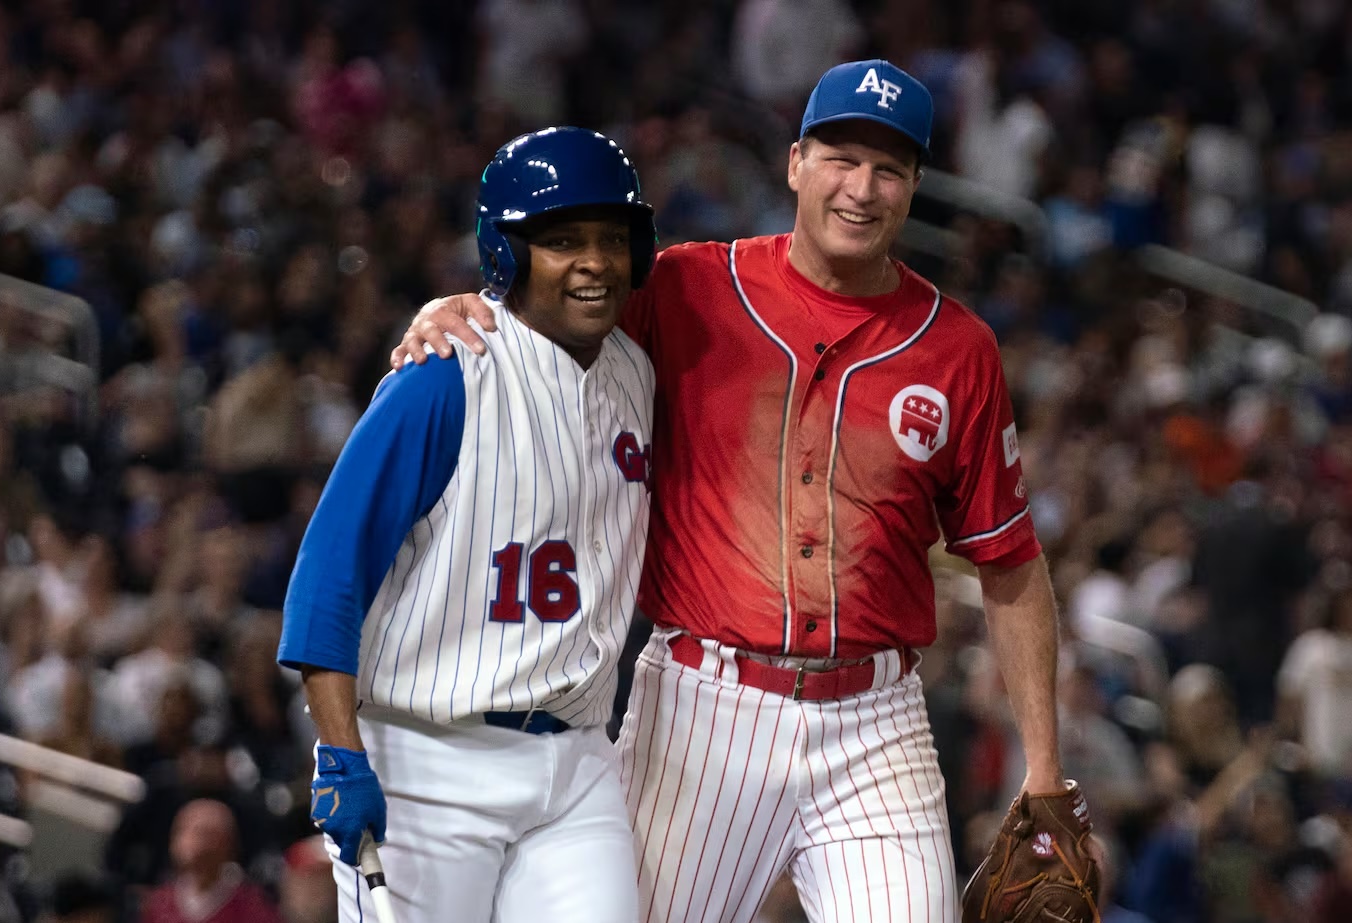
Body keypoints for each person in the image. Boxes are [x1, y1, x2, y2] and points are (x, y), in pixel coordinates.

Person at [394, 60, 1078, 922]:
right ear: (795, 162)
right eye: (840, 158)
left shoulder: (958, 347)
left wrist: (1045, 766)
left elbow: (1009, 562)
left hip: (878, 722)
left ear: (915, 188)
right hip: (700, 706)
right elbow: (551, 317)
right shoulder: (687, 287)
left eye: (888, 169)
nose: (860, 188)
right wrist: (464, 305)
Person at [277, 126, 658, 922]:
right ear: (507, 254)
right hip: (429, 760)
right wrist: (340, 750)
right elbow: (328, 572)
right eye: (561, 241)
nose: (594, 260)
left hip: (580, 763)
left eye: (611, 239)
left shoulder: (637, 371)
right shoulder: (445, 377)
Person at [137, 799, 282, 923]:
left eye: (204, 834)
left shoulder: (250, 905)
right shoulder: (160, 902)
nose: (189, 842)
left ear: (228, 844)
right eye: (183, 831)